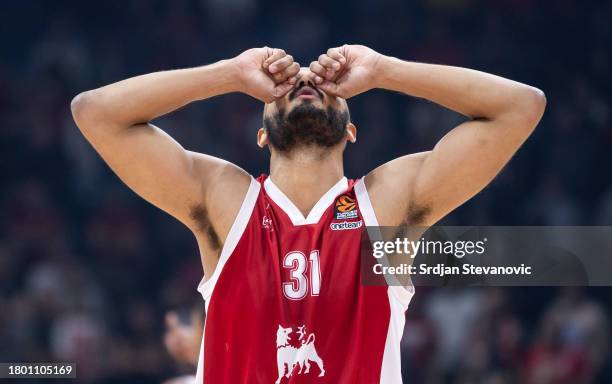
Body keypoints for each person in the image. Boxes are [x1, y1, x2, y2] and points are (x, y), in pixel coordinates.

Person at [71, 45, 545, 383]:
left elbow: (521, 107)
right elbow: (94, 112)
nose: (303, 84)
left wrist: (385, 70)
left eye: (321, 86)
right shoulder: (227, 200)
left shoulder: (385, 205)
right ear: (260, 135)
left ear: (351, 131)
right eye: (287, 86)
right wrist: (230, 74)